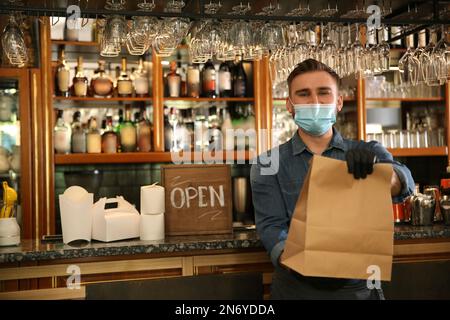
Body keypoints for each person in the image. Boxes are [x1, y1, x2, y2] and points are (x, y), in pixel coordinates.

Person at [250, 59, 415, 300]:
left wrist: (377, 173)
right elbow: (272, 227)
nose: (315, 102)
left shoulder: (369, 151)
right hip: (297, 289)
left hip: (360, 289)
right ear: (290, 104)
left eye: (324, 93)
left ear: (339, 102)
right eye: (304, 94)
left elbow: (404, 184)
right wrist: (305, 263)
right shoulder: (267, 164)